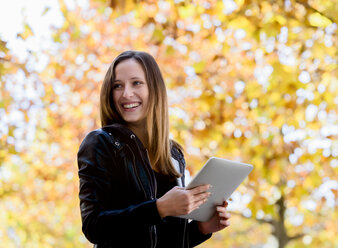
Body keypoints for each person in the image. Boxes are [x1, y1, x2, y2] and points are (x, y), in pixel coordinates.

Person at [77, 50, 230, 248]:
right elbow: (94, 226)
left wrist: (200, 229)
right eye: (118, 86)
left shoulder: (173, 154)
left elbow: (166, 240)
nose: (126, 94)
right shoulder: (101, 143)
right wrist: (159, 208)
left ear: (155, 89)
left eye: (136, 83)